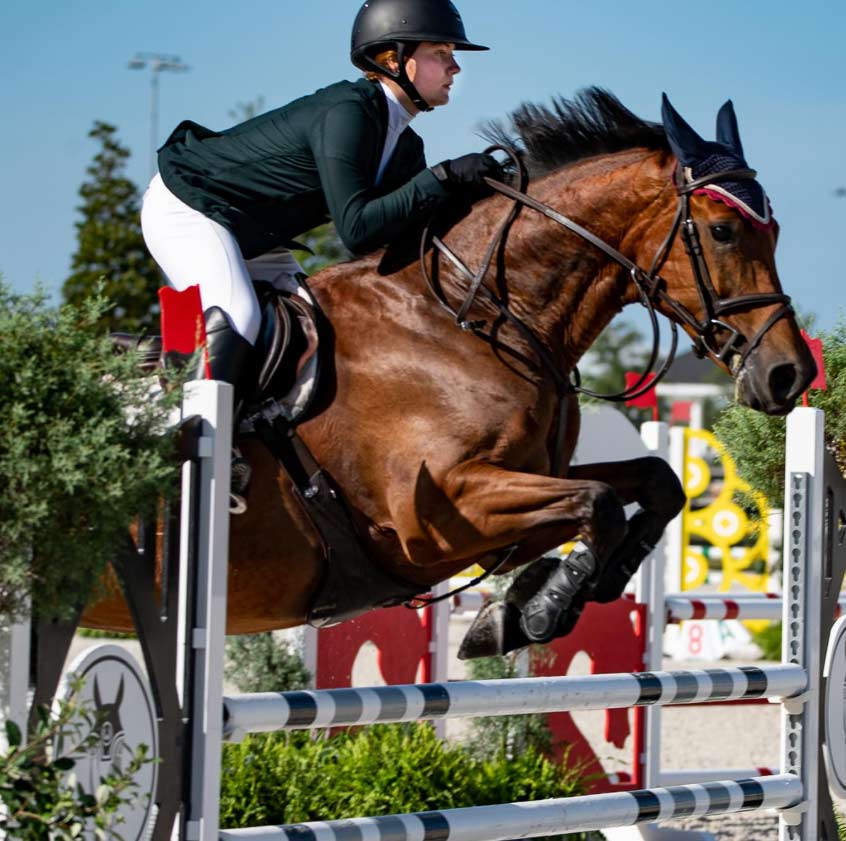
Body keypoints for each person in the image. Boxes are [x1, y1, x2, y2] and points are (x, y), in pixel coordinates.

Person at [141, 0, 502, 512]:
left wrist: (480, 196)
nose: (455, 67)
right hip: (190, 207)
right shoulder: (349, 112)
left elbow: (403, 239)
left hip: (252, 232)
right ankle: (198, 451)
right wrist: (442, 179)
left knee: (318, 321)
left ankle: (264, 432)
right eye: (442, 53)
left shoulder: (404, 146)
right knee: (239, 313)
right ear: (394, 60)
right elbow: (356, 230)